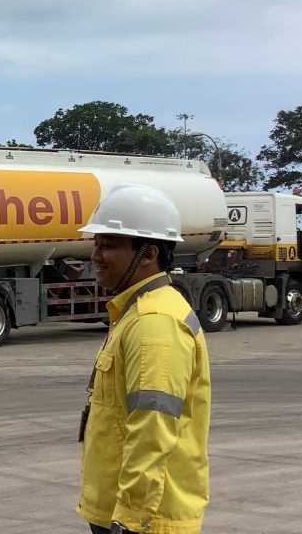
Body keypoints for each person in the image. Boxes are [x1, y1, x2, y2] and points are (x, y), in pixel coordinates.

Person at [76, 185, 211, 534]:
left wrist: (132, 518)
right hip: (123, 511)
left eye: (108, 245)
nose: (95, 255)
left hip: (141, 520)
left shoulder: (155, 324)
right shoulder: (135, 313)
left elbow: (153, 429)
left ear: (148, 254)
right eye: (96, 243)